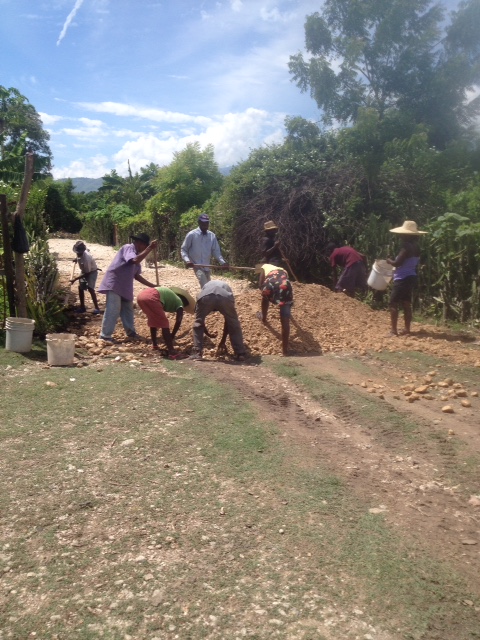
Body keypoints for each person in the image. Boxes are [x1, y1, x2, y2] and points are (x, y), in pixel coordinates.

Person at [98, 233, 157, 342]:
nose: (144, 249)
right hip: (115, 283)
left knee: (128, 310)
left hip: (125, 287)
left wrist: (153, 286)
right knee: (113, 309)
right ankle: (105, 336)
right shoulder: (128, 248)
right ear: (140, 243)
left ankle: (131, 333)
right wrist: (149, 249)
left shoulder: (137, 256)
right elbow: (133, 260)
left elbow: (137, 276)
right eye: (145, 246)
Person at [386, 220, 427, 336]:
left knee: (393, 302)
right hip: (411, 276)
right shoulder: (416, 247)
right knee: (406, 302)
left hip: (402, 278)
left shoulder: (406, 247)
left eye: (402, 234)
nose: (400, 236)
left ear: (406, 235)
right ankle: (407, 329)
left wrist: (389, 260)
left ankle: (393, 331)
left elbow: (397, 263)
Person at [191, 280, 247, 360]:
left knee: (198, 322)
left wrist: (221, 339)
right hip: (224, 296)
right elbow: (228, 323)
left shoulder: (205, 286)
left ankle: (197, 352)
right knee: (233, 323)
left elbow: (200, 322)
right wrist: (222, 340)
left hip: (206, 296)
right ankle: (240, 353)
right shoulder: (227, 287)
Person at [137, 285, 195, 358]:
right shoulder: (179, 303)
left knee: (153, 320)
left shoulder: (171, 297)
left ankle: (155, 345)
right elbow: (178, 320)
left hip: (141, 296)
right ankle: (172, 352)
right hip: (152, 297)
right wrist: (172, 335)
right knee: (164, 323)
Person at [181, 213, 228, 288]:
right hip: (197, 265)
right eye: (203, 223)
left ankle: (205, 295)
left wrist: (223, 262)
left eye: (207, 223)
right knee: (205, 285)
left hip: (207, 266)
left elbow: (216, 251)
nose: (205, 225)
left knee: (208, 286)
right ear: (199, 222)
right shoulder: (192, 234)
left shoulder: (211, 236)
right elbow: (184, 249)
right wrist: (187, 261)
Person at [257, 263, 293, 356]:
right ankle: (285, 351)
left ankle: (263, 318)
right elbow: (284, 281)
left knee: (265, 299)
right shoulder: (284, 270)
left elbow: (260, 284)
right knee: (285, 319)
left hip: (270, 283)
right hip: (286, 285)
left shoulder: (264, 266)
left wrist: (265, 294)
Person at [70, 241, 101, 314]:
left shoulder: (87, 259)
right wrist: (76, 259)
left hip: (91, 272)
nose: (78, 254)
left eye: (79, 253)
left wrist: (75, 279)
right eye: (77, 252)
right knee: (80, 288)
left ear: (82, 251)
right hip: (84, 271)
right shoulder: (81, 252)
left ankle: (97, 308)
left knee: (90, 289)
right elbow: (85, 251)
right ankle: (82, 307)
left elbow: (87, 273)